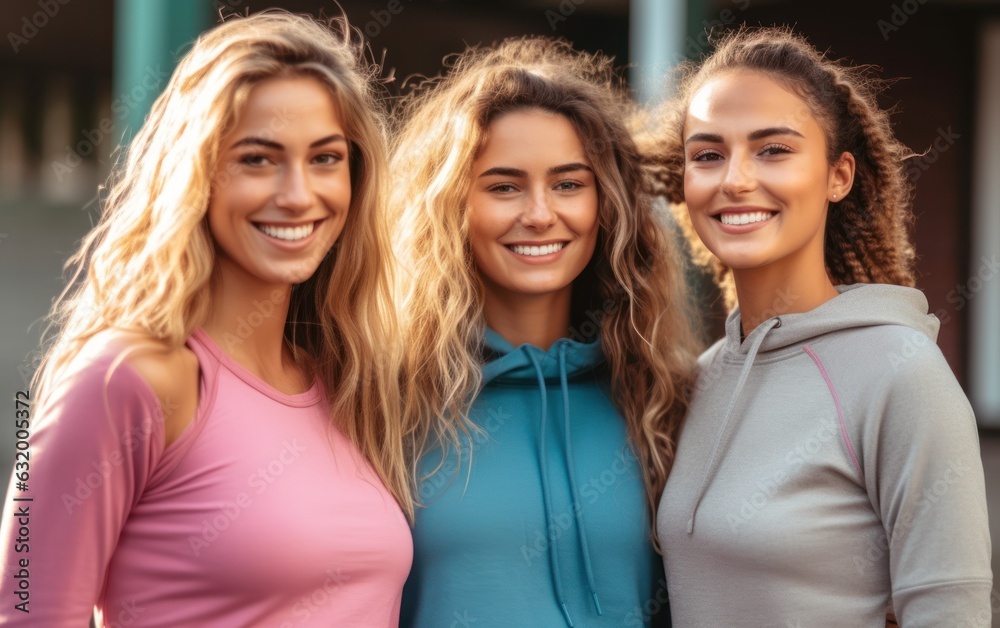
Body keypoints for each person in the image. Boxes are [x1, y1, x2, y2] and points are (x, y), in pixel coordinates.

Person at [0, 12, 412, 627]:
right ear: (196, 173)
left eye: (325, 158)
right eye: (257, 159)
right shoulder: (126, 378)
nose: (298, 194)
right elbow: (25, 609)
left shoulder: (348, 381)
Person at [638, 26, 993, 627]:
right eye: (708, 154)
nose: (735, 179)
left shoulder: (898, 372)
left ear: (839, 175)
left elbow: (949, 611)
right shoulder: (697, 382)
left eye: (773, 149)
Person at [391, 37, 700, 627]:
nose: (539, 213)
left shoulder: (663, 399)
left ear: (606, 204)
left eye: (568, 184)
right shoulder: (389, 397)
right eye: (504, 186)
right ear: (450, 205)